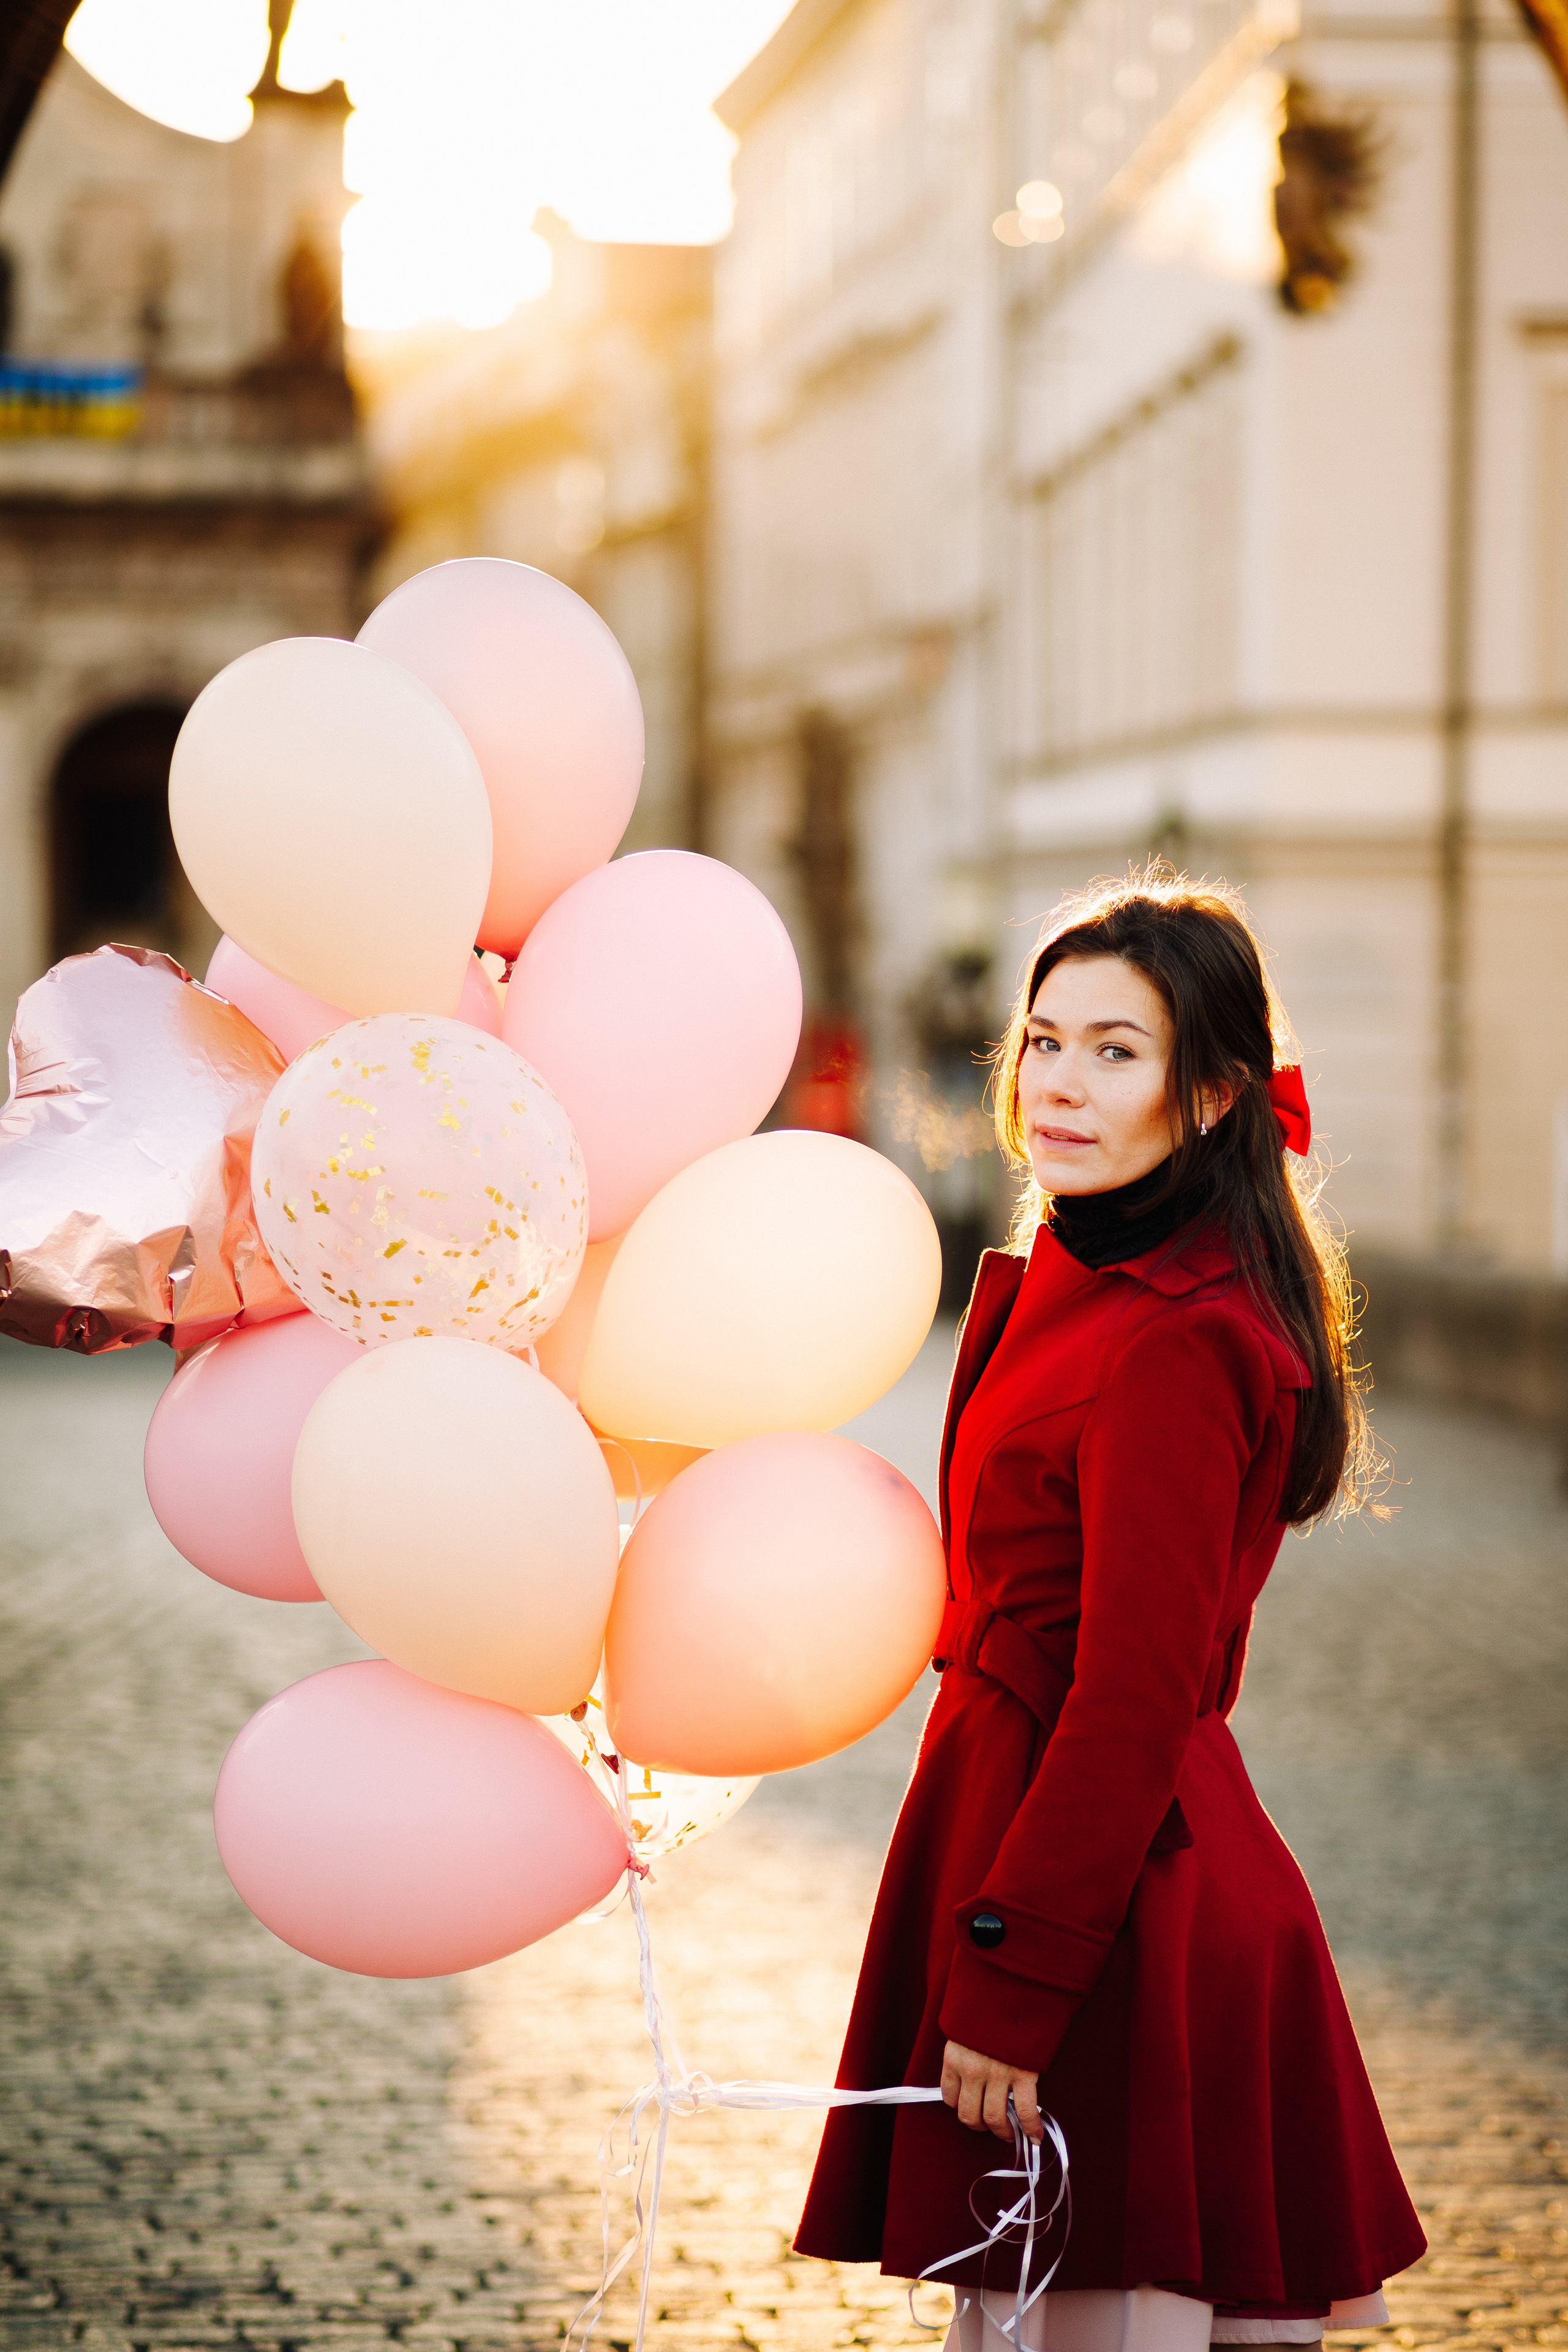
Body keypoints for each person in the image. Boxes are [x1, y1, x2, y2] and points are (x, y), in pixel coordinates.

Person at [794, 871, 1427, 2352]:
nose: (1060, 1085)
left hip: (1112, 1896)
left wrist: (1016, 1980)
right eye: (1043, 1040)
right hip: (1051, 1846)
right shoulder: (1078, 1276)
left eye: (1114, 1050)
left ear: (1209, 1098)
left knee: (1088, 2320)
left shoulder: (1175, 1336)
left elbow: (1133, 1689)